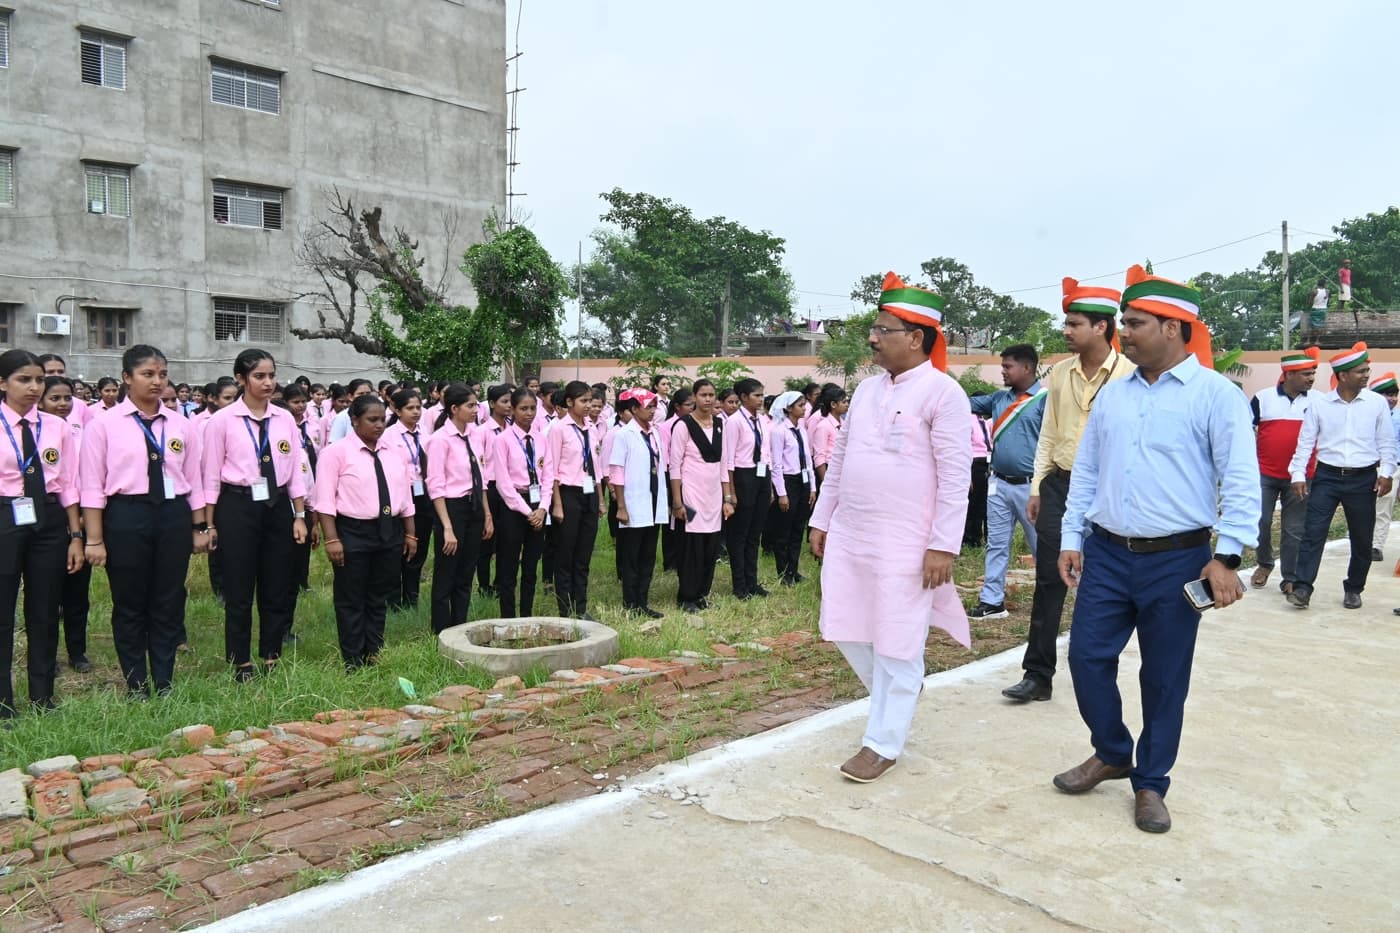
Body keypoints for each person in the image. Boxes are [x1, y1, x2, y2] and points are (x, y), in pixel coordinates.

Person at [1055, 264, 1258, 835]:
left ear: (1173, 328)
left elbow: (1240, 480)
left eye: (1135, 323)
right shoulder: (1114, 397)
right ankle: (1112, 751)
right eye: (1123, 322)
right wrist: (1072, 537)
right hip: (1107, 553)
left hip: (1177, 560)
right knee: (1086, 658)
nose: (1124, 332)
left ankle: (1150, 782)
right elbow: (1087, 472)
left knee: (1164, 677)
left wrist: (1228, 556)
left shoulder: (1216, 396)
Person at [810, 272, 970, 783]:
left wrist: (943, 545)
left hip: (908, 540)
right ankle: (901, 687)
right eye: (874, 328)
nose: (873, 338)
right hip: (852, 531)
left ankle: (882, 743)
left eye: (883, 329)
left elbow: (956, 477)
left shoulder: (944, 394)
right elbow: (839, 461)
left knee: (899, 637)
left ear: (916, 337)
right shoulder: (865, 391)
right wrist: (821, 518)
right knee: (845, 624)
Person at [1002, 277, 1134, 704]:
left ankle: (1096, 673)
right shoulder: (1059, 373)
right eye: (1067, 323)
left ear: (1101, 327)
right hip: (1059, 485)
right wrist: (1038, 487)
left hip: (1109, 489)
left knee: (1104, 581)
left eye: (1074, 324)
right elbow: (1049, 433)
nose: (1066, 331)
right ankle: (1038, 675)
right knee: (1049, 578)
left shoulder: (1130, 374)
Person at [81, 345, 208, 698]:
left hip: (172, 514)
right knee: (130, 602)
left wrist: (199, 527)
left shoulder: (181, 425)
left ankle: (163, 680)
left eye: (162, 375)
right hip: (126, 514)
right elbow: (91, 485)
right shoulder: (103, 425)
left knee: (168, 599)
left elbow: (194, 480)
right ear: (127, 377)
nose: (157, 381)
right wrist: (94, 539)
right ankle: (136, 682)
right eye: (147, 374)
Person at [201, 350, 309, 681]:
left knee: (276, 583)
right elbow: (211, 475)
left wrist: (299, 515)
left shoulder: (284, 419)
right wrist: (208, 524)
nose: (267, 382)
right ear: (241, 378)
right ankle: (241, 660)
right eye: (259, 376)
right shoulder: (222, 421)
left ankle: (271, 654)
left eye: (271, 375)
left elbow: (295, 470)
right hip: (238, 505)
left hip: (277, 506)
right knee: (239, 586)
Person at [0, 350, 84, 716]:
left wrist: (76, 535)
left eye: (38, 380)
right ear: (3, 383)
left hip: (49, 518)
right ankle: (3, 703)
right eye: (24, 380)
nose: (34, 387)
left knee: (45, 609)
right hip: (5, 514)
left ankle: (43, 696)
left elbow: (68, 483)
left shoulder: (56, 426)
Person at [1286, 343, 1396, 610]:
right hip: (1327, 477)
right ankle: (1302, 588)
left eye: (1367, 370)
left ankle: (1354, 588)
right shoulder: (1320, 404)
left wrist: (1387, 473)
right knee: (1313, 533)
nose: (1367, 375)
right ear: (1343, 376)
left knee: (1362, 538)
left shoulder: (1376, 403)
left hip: (1363, 478)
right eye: (1361, 371)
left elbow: (1387, 442)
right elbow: (1305, 442)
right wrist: (1298, 474)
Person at [314, 394, 417, 668]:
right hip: (353, 531)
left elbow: (405, 496)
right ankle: (353, 657)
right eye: (372, 419)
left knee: (378, 594)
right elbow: (324, 500)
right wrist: (332, 539)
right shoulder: (335, 453)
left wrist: (410, 534)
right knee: (351, 596)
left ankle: (374, 650)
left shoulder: (394, 451)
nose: (379, 425)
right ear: (355, 420)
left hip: (389, 529)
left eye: (382, 419)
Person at [967, 344, 1046, 619]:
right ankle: (992, 601)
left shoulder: (1045, 401)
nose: (1003, 371)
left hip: (1032, 487)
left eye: (1007, 366)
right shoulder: (998, 399)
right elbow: (961, 403)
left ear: (1027, 367)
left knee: (1041, 545)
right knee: (997, 544)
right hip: (998, 484)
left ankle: (1047, 600)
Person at [1249, 349, 1319, 594]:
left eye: (1313, 373)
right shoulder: (1262, 398)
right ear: (1288, 374)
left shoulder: (1318, 401)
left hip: (1301, 477)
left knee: (1294, 528)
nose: (1311, 378)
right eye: (1306, 374)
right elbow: (1246, 430)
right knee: (1261, 521)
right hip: (1264, 474)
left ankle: (1290, 577)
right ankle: (1264, 563)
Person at [424, 384, 493, 632]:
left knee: (466, 571)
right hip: (451, 508)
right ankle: (441, 630)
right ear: (454, 408)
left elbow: (481, 477)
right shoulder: (439, 440)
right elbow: (436, 486)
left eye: (476, 405)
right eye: (470, 406)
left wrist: (486, 513)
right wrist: (447, 527)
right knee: (447, 572)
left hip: (474, 505)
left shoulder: (475, 434)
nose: (476, 410)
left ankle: (459, 627)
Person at [40, 376, 94, 673]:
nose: (62, 404)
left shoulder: (82, 430)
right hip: (47, 517)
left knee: (77, 592)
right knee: (47, 594)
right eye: (55, 398)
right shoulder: (33, 432)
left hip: (80, 516)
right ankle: (48, 655)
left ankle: (78, 651)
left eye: (67, 398)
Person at [669, 379, 730, 612]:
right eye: (703, 395)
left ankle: (702, 594)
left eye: (711, 395)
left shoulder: (720, 424)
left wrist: (727, 498)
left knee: (710, 548)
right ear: (694, 397)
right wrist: (677, 502)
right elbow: (675, 466)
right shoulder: (683, 425)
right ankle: (687, 596)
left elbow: (724, 464)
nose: (708, 399)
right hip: (691, 495)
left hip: (713, 497)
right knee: (691, 548)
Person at [548, 381, 604, 619]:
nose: (588, 405)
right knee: (566, 554)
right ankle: (565, 608)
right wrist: (557, 504)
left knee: (583, 554)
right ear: (570, 402)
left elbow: (597, 467)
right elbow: (552, 469)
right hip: (568, 494)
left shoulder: (591, 428)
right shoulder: (559, 429)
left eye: (590, 400)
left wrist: (600, 499)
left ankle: (580, 607)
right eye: (583, 401)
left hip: (589, 493)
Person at [610, 389, 668, 617]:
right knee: (632, 556)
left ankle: (643, 601)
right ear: (634, 409)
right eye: (648, 407)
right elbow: (617, 472)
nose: (652, 411)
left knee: (648, 556)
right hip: (633, 503)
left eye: (654, 406)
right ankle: (630, 603)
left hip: (653, 501)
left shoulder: (654, 433)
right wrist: (621, 506)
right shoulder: (624, 434)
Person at [492, 387, 547, 618]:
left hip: (538, 504)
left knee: (531, 565)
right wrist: (528, 512)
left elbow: (548, 475)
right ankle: (508, 617)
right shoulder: (502, 440)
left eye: (533, 408)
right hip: (514, 506)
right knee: (509, 565)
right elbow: (503, 484)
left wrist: (542, 508)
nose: (529, 413)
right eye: (523, 408)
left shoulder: (540, 438)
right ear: (512, 410)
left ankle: (526, 614)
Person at [383, 388, 434, 610]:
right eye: (409, 408)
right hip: (400, 495)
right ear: (397, 410)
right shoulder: (389, 436)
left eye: (418, 407)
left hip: (423, 495)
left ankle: (411, 598)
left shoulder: (425, 434)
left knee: (419, 547)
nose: (415, 412)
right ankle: (393, 600)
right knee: (399, 547)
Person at [722, 378, 772, 600]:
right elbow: (729, 459)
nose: (761, 399)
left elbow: (766, 453)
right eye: (756, 395)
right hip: (743, 476)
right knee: (739, 534)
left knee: (754, 533)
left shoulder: (761, 420)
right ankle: (739, 585)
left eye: (762, 395)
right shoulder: (734, 422)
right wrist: (731, 492)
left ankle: (752, 582)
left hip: (761, 474)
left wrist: (769, 486)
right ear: (743, 397)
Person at [767, 390, 815, 585]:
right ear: (788, 408)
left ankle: (793, 570)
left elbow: (808, 460)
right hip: (788, 480)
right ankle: (784, 571)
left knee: (798, 527)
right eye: (800, 405)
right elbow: (776, 464)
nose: (804, 409)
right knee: (784, 529)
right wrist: (782, 493)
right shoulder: (780, 431)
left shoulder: (801, 430)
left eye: (804, 405)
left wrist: (812, 486)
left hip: (802, 480)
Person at [1369, 372, 1400, 560]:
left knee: (1383, 506)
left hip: (1392, 469)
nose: (1393, 399)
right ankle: (1363, 541)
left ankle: (1376, 546)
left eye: (1395, 395)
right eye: (1388, 394)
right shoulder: (1365, 416)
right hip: (1367, 467)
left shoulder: (1398, 417)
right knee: (1365, 507)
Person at [963, 405, 990, 549]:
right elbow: (965, 446)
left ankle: (977, 538)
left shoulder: (983, 421)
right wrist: (967, 474)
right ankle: (968, 538)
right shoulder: (968, 420)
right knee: (971, 504)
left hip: (986, 464)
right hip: (974, 463)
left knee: (982, 505)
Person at [327, 378, 373, 444]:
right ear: (350, 397)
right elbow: (334, 444)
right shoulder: (342, 417)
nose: (365, 397)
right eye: (360, 394)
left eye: (368, 393)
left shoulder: (375, 414)